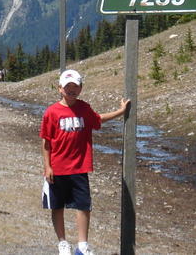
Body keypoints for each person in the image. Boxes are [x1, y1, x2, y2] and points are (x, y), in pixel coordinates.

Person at [40, 69, 130, 255]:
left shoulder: (84, 108)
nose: (71, 90)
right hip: (57, 169)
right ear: (60, 88)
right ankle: (63, 243)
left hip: (79, 167)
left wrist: (121, 112)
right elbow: (46, 142)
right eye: (67, 87)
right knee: (57, 206)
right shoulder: (51, 112)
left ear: (81, 89)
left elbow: (98, 120)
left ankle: (82, 245)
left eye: (75, 87)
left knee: (83, 205)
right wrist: (47, 166)